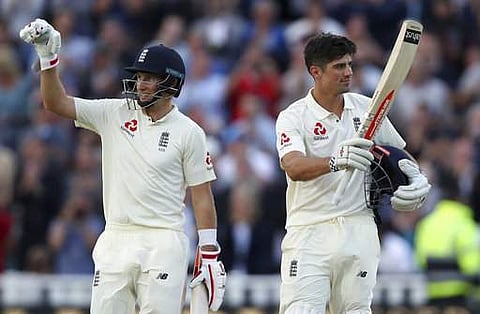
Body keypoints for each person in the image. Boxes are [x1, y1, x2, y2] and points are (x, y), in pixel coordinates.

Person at [19, 18, 226, 313]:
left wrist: (208, 250)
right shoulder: (114, 113)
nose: (140, 83)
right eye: (139, 76)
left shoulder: (189, 131)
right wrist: (48, 59)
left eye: (149, 77)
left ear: (171, 83)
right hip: (115, 237)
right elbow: (56, 104)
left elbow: (202, 193)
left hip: (163, 240)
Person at [274, 32, 431, 313]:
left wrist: (416, 175)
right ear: (315, 72)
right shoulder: (293, 116)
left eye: (349, 64)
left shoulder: (366, 106)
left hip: (359, 225)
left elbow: (398, 153)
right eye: (339, 66)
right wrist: (335, 160)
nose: (348, 72)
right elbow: (293, 166)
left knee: (357, 310)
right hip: (310, 228)